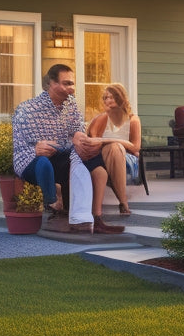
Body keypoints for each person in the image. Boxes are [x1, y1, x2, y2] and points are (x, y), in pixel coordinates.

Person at [12, 64, 124, 235]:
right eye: (66, 84)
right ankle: (55, 204)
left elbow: (75, 131)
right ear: (50, 83)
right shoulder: (28, 109)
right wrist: (64, 142)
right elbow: (34, 146)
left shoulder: (71, 106)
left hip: (61, 155)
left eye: (72, 84)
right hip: (32, 159)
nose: (71, 89)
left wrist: (79, 138)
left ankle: (96, 219)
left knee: (97, 166)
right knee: (46, 162)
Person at [87, 83, 141, 215]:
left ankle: (123, 202)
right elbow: (92, 141)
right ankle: (123, 202)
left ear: (121, 97)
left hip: (126, 156)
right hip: (102, 154)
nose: (108, 100)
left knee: (115, 148)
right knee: (113, 148)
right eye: (105, 98)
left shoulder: (133, 119)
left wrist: (110, 140)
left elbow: (135, 146)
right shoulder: (102, 118)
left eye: (111, 97)